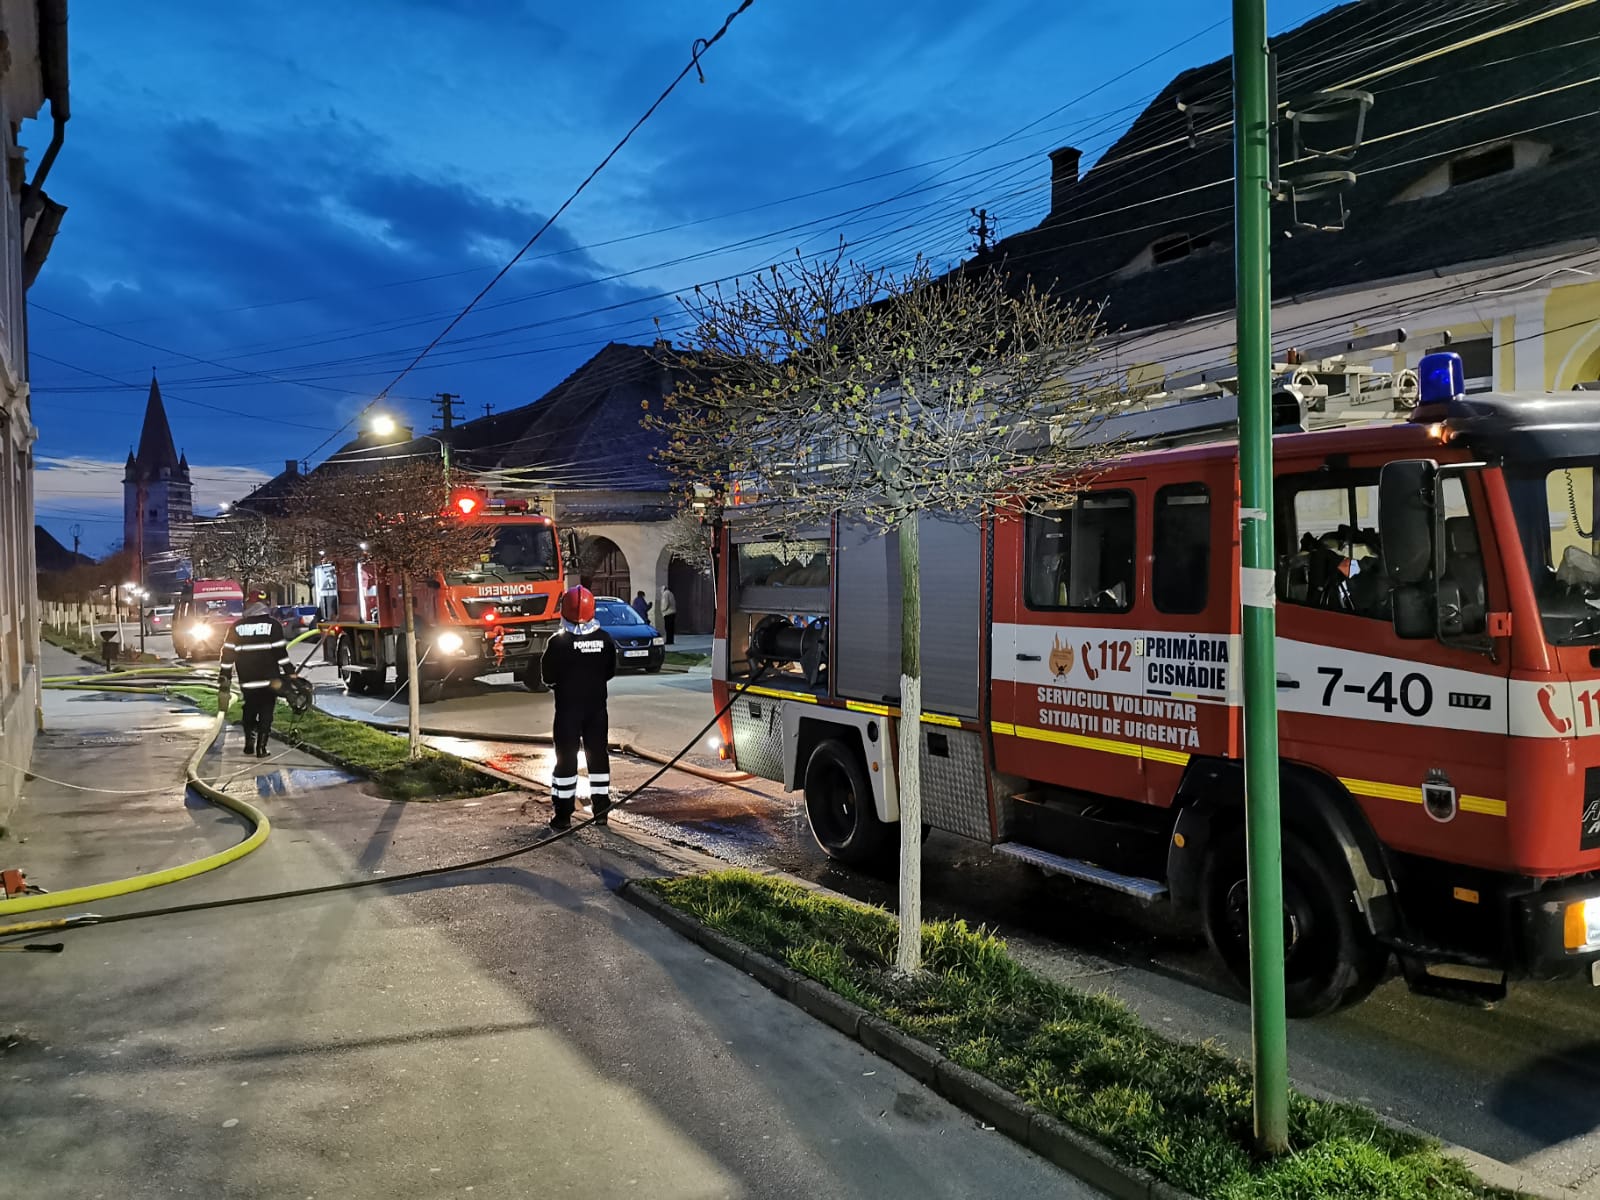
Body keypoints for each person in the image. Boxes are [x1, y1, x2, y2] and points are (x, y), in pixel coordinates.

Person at [541, 585, 617, 830]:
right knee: (598, 758)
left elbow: (547, 676)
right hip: (596, 710)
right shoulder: (604, 639)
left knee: (566, 760)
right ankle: (601, 810)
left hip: (567, 712)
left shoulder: (557, 642)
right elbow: (609, 672)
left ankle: (563, 815)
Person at [217, 589, 296, 758]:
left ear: (249, 605)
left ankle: (248, 743)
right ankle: (262, 748)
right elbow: (280, 654)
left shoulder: (237, 627)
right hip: (270, 680)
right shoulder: (273, 625)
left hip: (248, 679)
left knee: (250, 709)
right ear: (263, 606)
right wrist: (291, 673)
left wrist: (225, 676)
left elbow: (228, 654)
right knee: (267, 710)